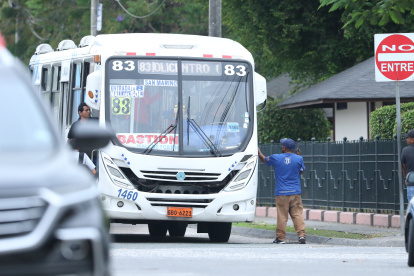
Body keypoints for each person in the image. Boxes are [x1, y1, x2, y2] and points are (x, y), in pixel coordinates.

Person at [258, 138, 306, 244]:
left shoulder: (276, 158)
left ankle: (280, 238)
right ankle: (301, 235)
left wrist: (259, 152)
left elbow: (264, 159)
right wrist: (296, 158)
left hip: (282, 193)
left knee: (282, 216)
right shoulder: (299, 158)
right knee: (297, 214)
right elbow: (301, 172)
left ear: (284, 148)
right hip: (295, 192)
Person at [402, 129, 414, 202]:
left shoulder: (405, 150)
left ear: (413, 139)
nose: (406, 139)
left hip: (411, 181)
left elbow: (403, 165)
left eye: (408, 138)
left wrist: (405, 177)